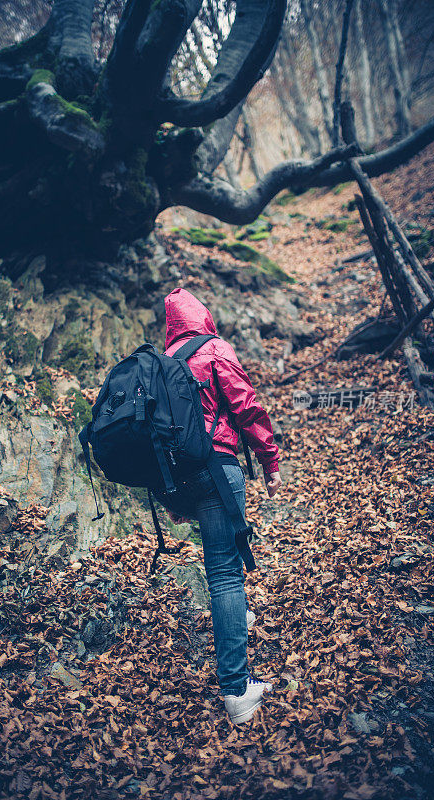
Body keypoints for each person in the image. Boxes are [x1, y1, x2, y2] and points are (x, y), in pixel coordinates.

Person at [153, 288, 282, 725]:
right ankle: (236, 690)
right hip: (221, 469)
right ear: (202, 317)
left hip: (187, 479)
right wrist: (270, 459)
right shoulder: (213, 349)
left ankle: (236, 655)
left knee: (220, 572)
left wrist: (172, 496)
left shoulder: (161, 365)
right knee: (227, 575)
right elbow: (245, 406)